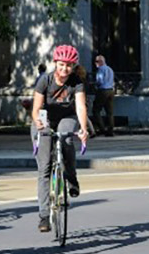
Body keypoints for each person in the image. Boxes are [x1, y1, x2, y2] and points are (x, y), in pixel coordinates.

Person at [31, 44, 90, 233]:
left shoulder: (76, 82)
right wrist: (39, 124)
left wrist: (83, 129)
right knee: (44, 167)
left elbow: (80, 106)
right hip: (45, 118)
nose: (65, 69)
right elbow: (36, 109)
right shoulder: (45, 80)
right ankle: (44, 216)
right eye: (62, 64)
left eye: (69, 65)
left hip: (67, 117)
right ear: (55, 63)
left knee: (66, 138)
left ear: (74, 66)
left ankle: (72, 179)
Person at [91, 53, 116, 136]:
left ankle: (102, 128)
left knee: (96, 110)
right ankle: (110, 130)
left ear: (101, 62)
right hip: (111, 90)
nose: (95, 63)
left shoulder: (101, 69)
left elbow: (100, 81)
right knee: (110, 111)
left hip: (103, 90)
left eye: (96, 61)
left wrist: (94, 84)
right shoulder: (110, 69)